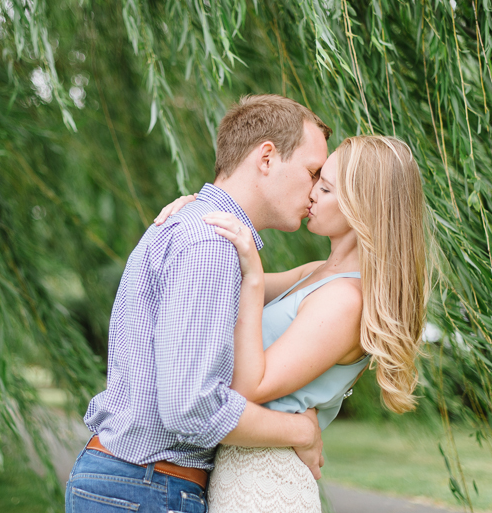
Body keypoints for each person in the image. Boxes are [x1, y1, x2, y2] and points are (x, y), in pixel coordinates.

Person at [65, 95, 333, 513]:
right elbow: (190, 408)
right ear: (266, 158)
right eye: (313, 171)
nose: (316, 189)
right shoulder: (210, 244)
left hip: (135, 483)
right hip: (149, 486)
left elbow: (308, 280)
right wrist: (299, 430)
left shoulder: (198, 228)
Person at [156, 135, 429, 512]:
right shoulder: (316, 274)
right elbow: (217, 281)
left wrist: (254, 277)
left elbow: (252, 386)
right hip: (239, 471)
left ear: (361, 207)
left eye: (326, 187)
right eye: (317, 178)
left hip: (265, 484)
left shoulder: (345, 301)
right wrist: (195, 217)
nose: (312, 192)